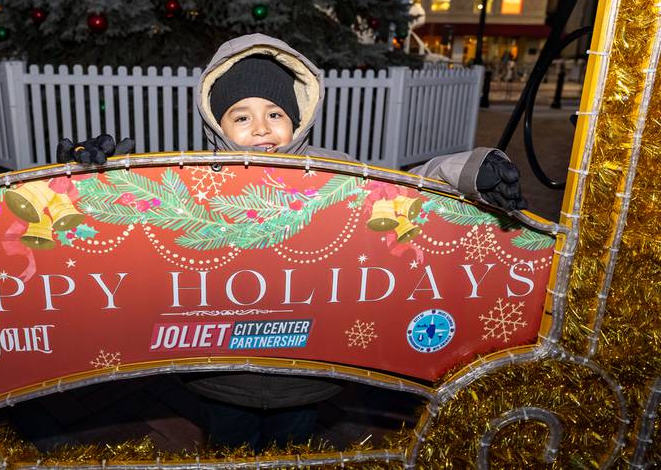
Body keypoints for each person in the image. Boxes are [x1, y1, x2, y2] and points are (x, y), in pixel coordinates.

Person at [57, 33, 526, 450]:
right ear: (216, 123)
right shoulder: (193, 174)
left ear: (298, 117)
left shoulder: (330, 169)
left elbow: (398, 193)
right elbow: (135, 209)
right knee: (231, 448)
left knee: (294, 450)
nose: (261, 127)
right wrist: (96, 175)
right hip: (223, 374)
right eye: (241, 115)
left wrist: (465, 171)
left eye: (275, 112)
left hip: (306, 369)